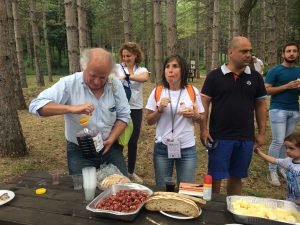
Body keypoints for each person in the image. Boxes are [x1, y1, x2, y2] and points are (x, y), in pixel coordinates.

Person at [29, 48, 131, 176]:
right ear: (83, 67)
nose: (97, 82)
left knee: (121, 189)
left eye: (103, 77)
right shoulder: (69, 83)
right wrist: (71, 108)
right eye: (92, 75)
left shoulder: (114, 84)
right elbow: (36, 105)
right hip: (80, 151)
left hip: (110, 147)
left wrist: (112, 138)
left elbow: (124, 115)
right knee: (82, 193)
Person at [200, 36, 267, 195]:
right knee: (215, 176)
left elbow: (260, 105)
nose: (248, 55)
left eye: (250, 51)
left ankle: (232, 208)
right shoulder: (214, 76)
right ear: (230, 52)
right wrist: (203, 129)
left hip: (245, 137)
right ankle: (214, 210)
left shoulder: (255, 77)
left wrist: (262, 133)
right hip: (219, 136)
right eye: (244, 51)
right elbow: (204, 103)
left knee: (236, 176)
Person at [145, 55, 204, 187]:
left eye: (175, 66)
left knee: (186, 190)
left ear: (182, 70)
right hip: (163, 148)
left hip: (187, 148)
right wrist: (159, 109)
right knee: (163, 189)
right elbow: (149, 121)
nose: (170, 70)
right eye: (167, 67)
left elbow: (201, 118)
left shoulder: (192, 91)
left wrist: (195, 115)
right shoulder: (158, 91)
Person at [264, 42, 300, 186]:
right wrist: (287, 86)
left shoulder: (298, 71)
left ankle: (282, 167)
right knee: (278, 141)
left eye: (294, 51)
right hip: (278, 109)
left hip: (294, 110)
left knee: (287, 142)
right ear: (283, 54)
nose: (291, 53)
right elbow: (266, 90)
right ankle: (271, 170)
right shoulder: (275, 70)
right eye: (288, 51)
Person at [114, 42, 149, 183]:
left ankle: (130, 172)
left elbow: (144, 78)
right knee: (119, 140)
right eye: (123, 56)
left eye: (128, 55)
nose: (125, 58)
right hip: (119, 109)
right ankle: (118, 171)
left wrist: (127, 77)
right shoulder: (117, 68)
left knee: (133, 141)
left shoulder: (141, 70)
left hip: (135, 109)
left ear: (135, 55)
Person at [254, 132, 300, 205]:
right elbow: (274, 160)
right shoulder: (288, 161)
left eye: (291, 148)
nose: (287, 151)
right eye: (286, 147)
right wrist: (260, 153)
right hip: (291, 199)